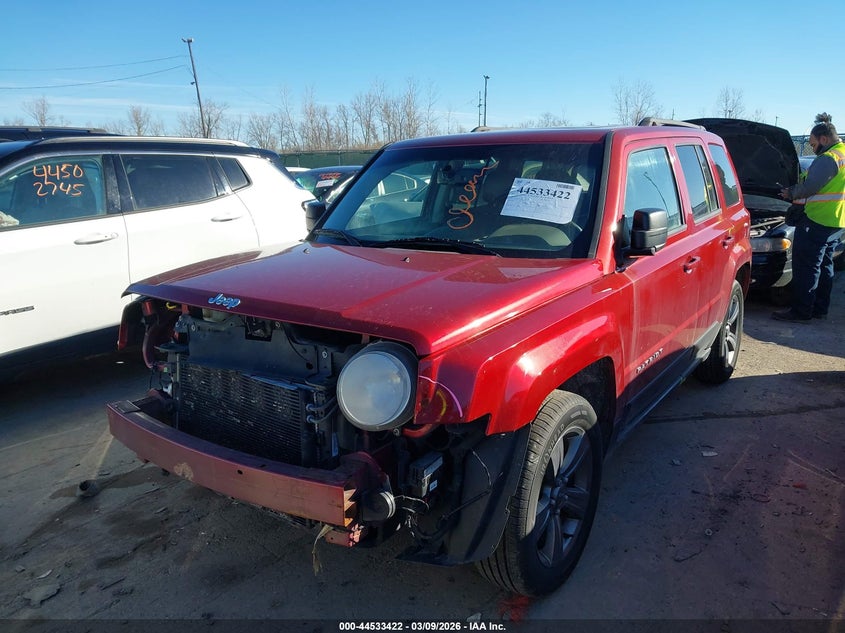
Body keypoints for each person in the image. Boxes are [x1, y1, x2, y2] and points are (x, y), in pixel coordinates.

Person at [775, 114, 845, 322]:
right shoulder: (842, 154)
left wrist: (791, 193)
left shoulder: (829, 158)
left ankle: (801, 311)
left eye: (813, 145)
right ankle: (819, 308)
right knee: (824, 265)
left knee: (806, 265)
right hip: (837, 221)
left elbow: (810, 187)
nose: (813, 149)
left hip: (818, 220)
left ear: (824, 139)